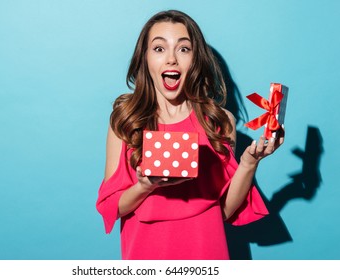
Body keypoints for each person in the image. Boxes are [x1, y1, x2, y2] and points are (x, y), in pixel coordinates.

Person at [96, 10, 284, 260]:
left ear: (196, 59)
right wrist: (145, 186)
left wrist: (250, 163)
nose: (172, 59)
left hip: (207, 253)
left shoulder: (219, 122)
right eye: (159, 48)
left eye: (184, 49)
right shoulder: (126, 121)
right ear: (145, 58)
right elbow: (113, 207)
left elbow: (225, 210)